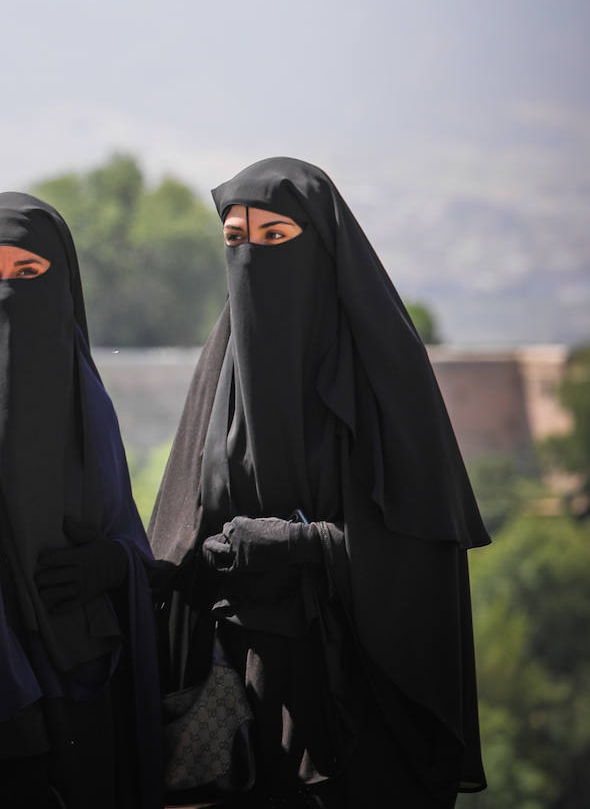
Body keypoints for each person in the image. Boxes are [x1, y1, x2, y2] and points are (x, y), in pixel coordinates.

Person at [149, 157, 488, 808]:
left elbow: (421, 554)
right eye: (235, 240)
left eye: (275, 238)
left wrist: (297, 542)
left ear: (324, 250)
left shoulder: (383, 381)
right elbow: (179, 531)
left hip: (355, 699)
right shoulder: (223, 380)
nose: (252, 257)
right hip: (240, 705)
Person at [0, 192, 161, 808]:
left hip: (86, 686)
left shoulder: (86, 399)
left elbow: (128, 538)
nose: (9, 291)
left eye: (29, 273)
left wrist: (109, 562)